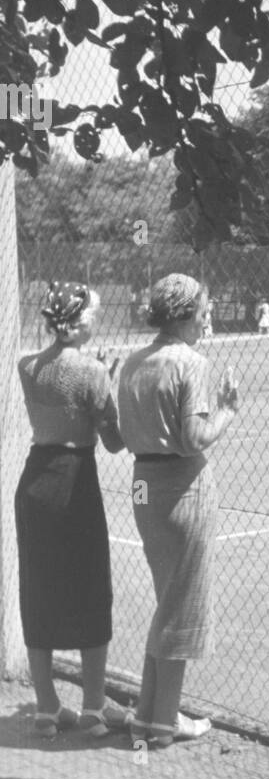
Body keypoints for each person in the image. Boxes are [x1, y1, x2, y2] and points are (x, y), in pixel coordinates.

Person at [117, 274, 240, 748]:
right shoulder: (191, 363)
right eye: (205, 310)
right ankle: (165, 722)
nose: (208, 317)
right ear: (186, 313)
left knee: (166, 598)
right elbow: (194, 438)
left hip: (143, 488)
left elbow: (126, 434)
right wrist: (226, 411)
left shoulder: (132, 363)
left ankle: (149, 714)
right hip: (182, 489)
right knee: (183, 603)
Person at [15, 281, 130, 739]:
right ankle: (93, 708)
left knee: (38, 588)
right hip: (75, 482)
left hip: (34, 481)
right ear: (80, 322)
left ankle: (46, 709)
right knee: (90, 588)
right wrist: (107, 386)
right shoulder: (91, 373)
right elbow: (115, 442)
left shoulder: (28, 367)